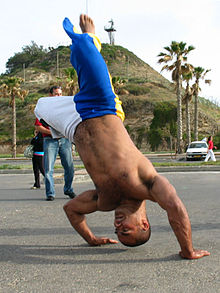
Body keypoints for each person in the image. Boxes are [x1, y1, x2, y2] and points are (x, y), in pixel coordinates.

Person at [35, 14, 210, 259]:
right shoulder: (148, 184)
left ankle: (65, 103)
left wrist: (92, 239)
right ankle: (92, 37)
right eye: (125, 231)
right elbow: (175, 208)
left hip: (75, 125)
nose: (117, 227)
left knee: (40, 106)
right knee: (84, 47)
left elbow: (72, 210)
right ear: (144, 224)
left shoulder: (104, 201)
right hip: (101, 106)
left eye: (117, 232)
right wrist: (187, 250)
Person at [35, 86, 75, 201]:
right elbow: (38, 126)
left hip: (64, 140)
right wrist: (52, 133)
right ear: (51, 95)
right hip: (50, 140)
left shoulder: (65, 108)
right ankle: (50, 193)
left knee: (69, 168)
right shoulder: (45, 108)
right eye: (56, 94)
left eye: (61, 94)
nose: (59, 96)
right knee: (48, 169)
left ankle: (68, 189)